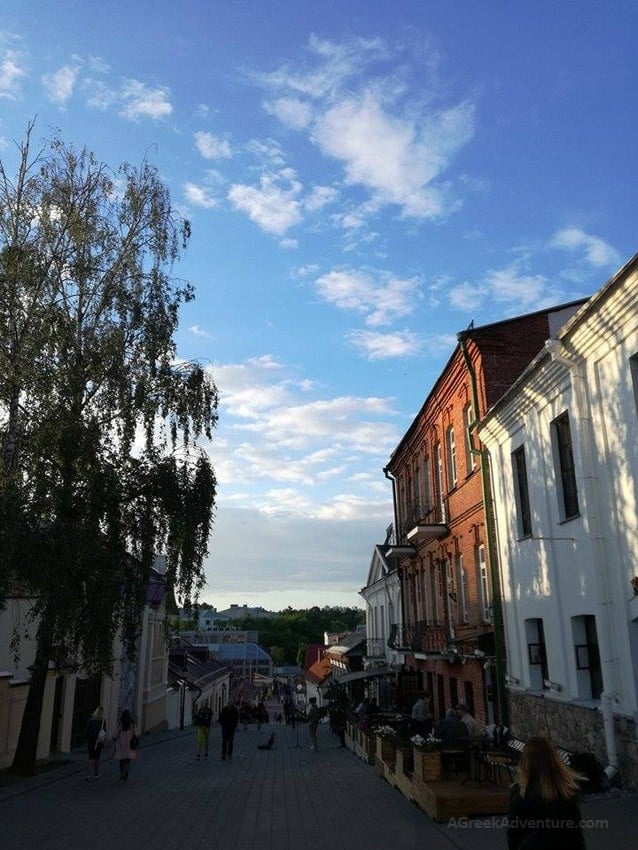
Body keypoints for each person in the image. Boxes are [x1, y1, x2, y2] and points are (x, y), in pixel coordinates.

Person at [507, 736, 587, 849]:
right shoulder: (565, 789)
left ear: (526, 762)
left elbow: (513, 832)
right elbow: (575, 833)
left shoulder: (520, 792)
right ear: (553, 759)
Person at [113, 709, 138, 782]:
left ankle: (121, 774)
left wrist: (114, 737)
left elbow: (116, 732)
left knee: (121, 760)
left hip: (121, 744)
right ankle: (126, 774)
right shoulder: (132, 723)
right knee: (128, 760)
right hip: (129, 744)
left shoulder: (121, 723)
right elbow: (135, 733)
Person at [85, 706, 107, 781]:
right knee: (97, 758)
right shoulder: (103, 722)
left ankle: (88, 775)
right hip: (99, 742)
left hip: (91, 741)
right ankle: (96, 774)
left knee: (90, 758)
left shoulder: (91, 720)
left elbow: (86, 731)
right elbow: (104, 733)